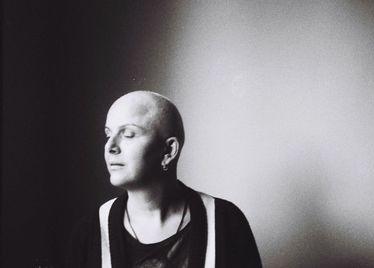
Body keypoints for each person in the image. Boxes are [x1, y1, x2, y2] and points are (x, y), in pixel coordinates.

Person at [66, 91, 262, 268]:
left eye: (128, 134)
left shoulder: (226, 223)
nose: (110, 147)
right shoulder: (90, 233)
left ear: (169, 151)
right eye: (108, 134)